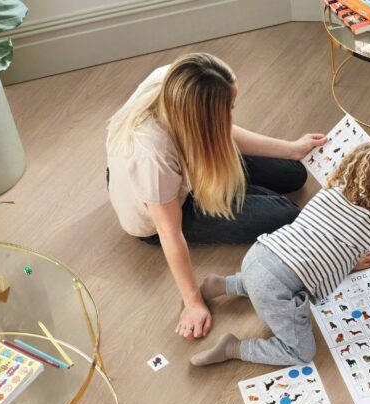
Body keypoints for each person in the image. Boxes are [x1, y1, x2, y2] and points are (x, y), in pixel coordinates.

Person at [106, 53, 327, 341]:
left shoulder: (176, 80)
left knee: (294, 173)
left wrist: (291, 148)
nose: (232, 114)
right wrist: (193, 301)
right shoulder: (152, 156)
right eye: (228, 108)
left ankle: (250, 186)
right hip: (158, 210)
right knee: (286, 214)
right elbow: (168, 231)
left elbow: (220, 129)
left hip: (186, 166)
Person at [190, 143, 370, 366]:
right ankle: (234, 348)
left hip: (259, 254)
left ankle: (223, 284)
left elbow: (321, 242)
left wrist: (350, 261)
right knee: (302, 353)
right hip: (274, 287)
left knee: (266, 278)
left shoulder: (328, 194)